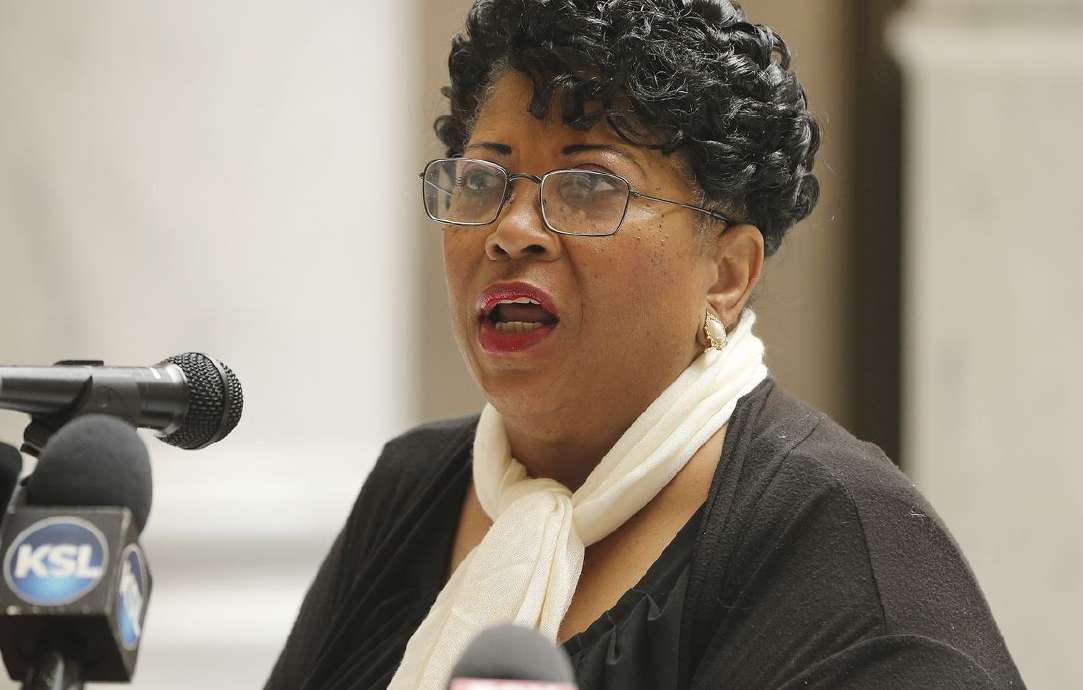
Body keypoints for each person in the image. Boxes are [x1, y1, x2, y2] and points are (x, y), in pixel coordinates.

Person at [266, 1, 1024, 688]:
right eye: (483, 180)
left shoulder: (845, 546)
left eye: (590, 187)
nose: (511, 232)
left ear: (726, 273)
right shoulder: (415, 489)